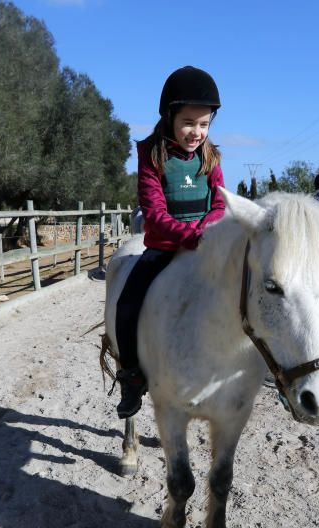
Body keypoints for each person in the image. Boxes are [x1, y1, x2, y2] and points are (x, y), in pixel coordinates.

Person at [114, 65, 225, 418]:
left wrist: (207, 230)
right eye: (189, 123)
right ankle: (131, 376)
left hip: (207, 245)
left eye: (204, 124)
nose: (196, 132)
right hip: (163, 247)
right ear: (169, 117)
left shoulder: (212, 156)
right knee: (127, 303)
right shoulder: (150, 154)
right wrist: (192, 236)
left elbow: (220, 202)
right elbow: (155, 212)